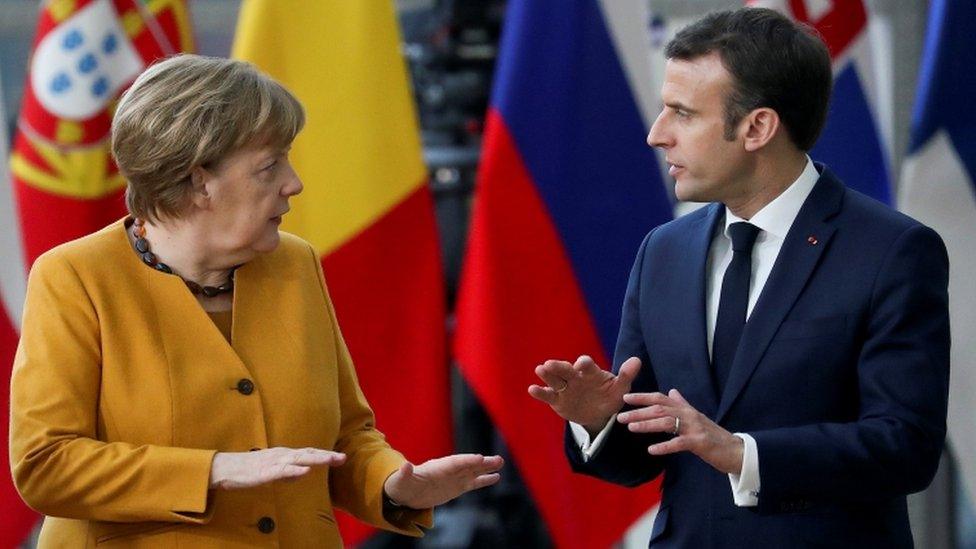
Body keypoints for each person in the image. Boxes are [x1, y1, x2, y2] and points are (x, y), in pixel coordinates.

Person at [9, 54, 503, 548]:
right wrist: (216, 469)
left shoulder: (296, 263)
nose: (294, 182)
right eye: (270, 166)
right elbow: (45, 464)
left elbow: (345, 438)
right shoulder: (75, 276)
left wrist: (395, 485)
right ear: (199, 180)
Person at [529, 7, 949, 548]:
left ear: (757, 127)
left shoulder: (892, 251)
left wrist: (742, 453)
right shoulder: (664, 251)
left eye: (682, 113)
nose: (657, 135)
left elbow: (906, 447)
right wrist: (598, 421)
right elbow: (644, 457)